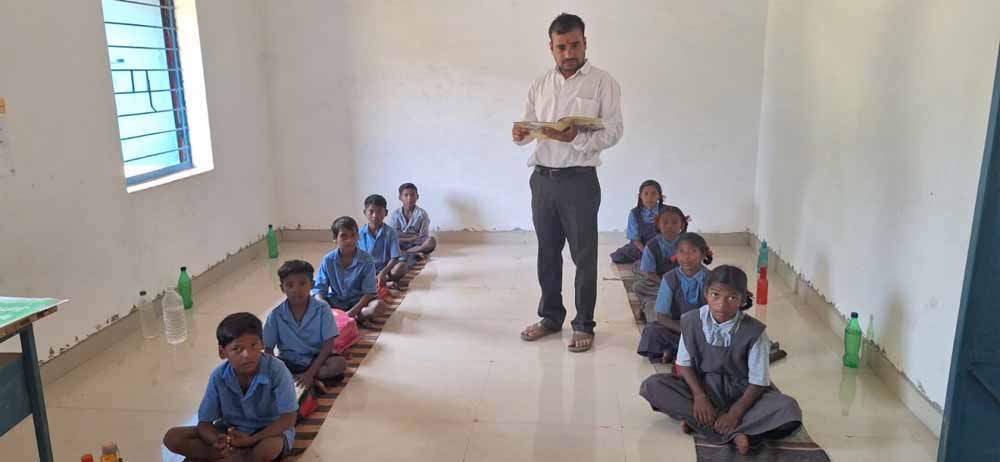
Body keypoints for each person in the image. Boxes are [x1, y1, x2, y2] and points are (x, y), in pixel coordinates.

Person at [514, 13, 624, 353]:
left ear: (585, 43)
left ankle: (583, 324)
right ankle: (550, 318)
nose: (568, 53)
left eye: (574, 45)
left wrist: (576, 138)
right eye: (561, 47)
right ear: (551, 47)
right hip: (542, 180)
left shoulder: (603, 82)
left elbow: (614, 130)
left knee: (583, 255)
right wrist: (520, 134)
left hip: (579, 181)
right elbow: (529, 126)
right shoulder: (540, 84)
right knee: (547, 253)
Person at [639, 266, 802, 455]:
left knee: (788, 409)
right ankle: (734, 432)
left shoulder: (755, 332)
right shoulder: (691, 321)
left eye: (732, 298)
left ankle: (701, 423)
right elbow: (684, 364)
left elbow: (758, 382)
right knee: (653, 385)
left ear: (743, 300)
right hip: (703, 387)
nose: (722, 305)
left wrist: (735, 413)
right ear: (706, 294)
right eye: (715, 295)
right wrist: (700, 397)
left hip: (742, 393)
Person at [163, 313, 298, 462]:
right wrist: (218, 440)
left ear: (262, 344)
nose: (247, 355)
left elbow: (289, 418)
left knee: (268, 448)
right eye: (237, 349)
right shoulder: (219, 376)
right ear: (222, 352)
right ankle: (228, 455)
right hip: (230, 432)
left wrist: (251, 440)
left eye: (253, 345)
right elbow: (204, 423)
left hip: (266, 432)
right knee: (173, 438)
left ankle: (233, 457)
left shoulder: (277, 370)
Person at [263, 260, 347, 391]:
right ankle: (306, 380)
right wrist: (277, 370)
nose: (296, 290)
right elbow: (268, 350)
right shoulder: (275, 315)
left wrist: (310, 373)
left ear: (312, 285)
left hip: (317, 359)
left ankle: (301, 379)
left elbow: (328, 345)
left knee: (339, 364)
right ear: (282, 288)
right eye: (290, 285)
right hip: (289, 362)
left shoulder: (322, 308)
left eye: (302, 283)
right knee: (263, 368)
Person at [636, 233, 712, 363]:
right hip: (677, 327)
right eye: (681, 251)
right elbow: (661, 317)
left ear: (703, 254)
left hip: (703, 329)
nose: (686, 257)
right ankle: (680, 350)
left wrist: (700, 332)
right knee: (651, 330)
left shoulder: (712, 279)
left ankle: (672, 350)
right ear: (676, 254)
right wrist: (685, 331)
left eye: (692, 251)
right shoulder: (669, 278)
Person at [313, 216, 383, 325]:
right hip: (335, 302)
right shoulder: (328, 260)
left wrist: (351, 312)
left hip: (359, 303)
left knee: (378, 306)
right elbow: (319, 289)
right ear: (335, 239)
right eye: (343, 236)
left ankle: (352, 318)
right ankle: (344, 319)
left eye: (353, 235)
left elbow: (369, 292)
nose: (349, 240)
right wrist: (324, 306)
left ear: (358, 236)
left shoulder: (366, 260)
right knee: (310, 303)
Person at [632, 206, 688, 321]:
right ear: (658, 225)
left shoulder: (688, 244)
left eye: (674, 223)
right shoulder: (652, 245)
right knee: (639, 286)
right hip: (658, 281)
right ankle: (652, 305)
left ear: (682, 225)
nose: (670, 226)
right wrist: (667, 284)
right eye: (665, 223)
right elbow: (649, 273)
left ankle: (668, 302)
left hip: (682, 282)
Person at [359, 194, 409, 290]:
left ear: (386, 213)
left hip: (386, 270)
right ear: (365, 212)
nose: (375, 215)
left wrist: (383, 272)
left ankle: (378, 281)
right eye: (371, 211)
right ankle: (383, 282)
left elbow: (395, 257)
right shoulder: (359, 234)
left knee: (401, 267)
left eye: (379, 211)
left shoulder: (391, 232)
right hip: (366, 270)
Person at [610, 180, 666, 263]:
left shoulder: (667, 211)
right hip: (640, 247)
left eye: (653, 193)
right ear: (640, 196)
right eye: (646, 194)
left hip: (661, 246)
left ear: (659, 196)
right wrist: (646, 253)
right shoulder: (634, 213)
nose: (649, 197)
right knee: (619, 256)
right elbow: (635, 239)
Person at [390, 182, 438, 260]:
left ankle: (408, 252)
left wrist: (411, 238)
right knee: (387, 241)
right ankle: (414, 253)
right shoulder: (395, 214)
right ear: (400, 197)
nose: (409, 198)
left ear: (417, 197)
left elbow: (423, 235)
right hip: (400, 243)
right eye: (406, 195)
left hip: (417, 244)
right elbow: (393, 234)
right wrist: (410, 238)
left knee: (431, 241)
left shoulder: (422, 214)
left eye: (412, 195)